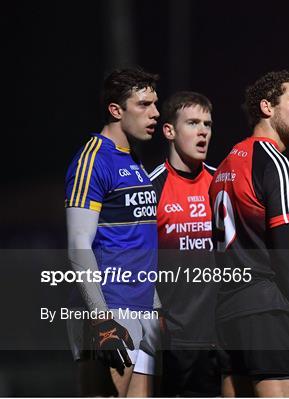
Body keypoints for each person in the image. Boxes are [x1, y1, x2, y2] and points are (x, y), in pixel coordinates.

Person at [208, 70, 289, 397]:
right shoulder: (277, 164)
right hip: (268, 310)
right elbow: (287, 254)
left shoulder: (226, 165)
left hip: (228, 314)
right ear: (266, 107)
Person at [65, 67, 161, 397]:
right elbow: (78, 243)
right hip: (111, 308)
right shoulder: (92, 160)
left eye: (155, 104)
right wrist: (101, 319)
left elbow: (141, 238)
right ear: (116, 110)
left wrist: (156, 305)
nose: (155, 113)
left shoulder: (134, 159)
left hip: (142, 308)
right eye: (144, 105)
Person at [149, 91, 222, 396]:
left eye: (207, 123)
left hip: (220, 335)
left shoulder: (221, 183)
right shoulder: (151, 186)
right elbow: (138, 261)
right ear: (169, 131)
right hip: (173, 337)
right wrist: (155, 314)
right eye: (192, 123)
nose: (203, 131)